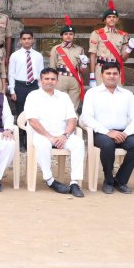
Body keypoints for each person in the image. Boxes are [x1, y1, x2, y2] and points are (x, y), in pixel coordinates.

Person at [80, 62, 134, 194]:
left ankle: (120, 180)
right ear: (102, 75)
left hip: (123, 133)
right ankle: (108, 180)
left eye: (115, 73)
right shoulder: (92, 93)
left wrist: (126, 133)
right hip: (101, 132)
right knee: (108, 145)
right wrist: (107, 132)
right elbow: (87, 117)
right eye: (108, 73)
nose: (112, 76)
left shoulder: (127, 95)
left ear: (119, 75)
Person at [24, 68, 85, 198]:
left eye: (53, 79)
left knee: (79, 143)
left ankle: (75, 182)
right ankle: (50, 180)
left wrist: (65, 135)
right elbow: (32, 121)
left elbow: (72, 119)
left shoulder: (64, 96)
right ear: (41, 80)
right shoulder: (33, 96)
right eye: (46, 79)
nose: (49, 82)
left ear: (57, 81)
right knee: (42, 145)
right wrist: (49, 137)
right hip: (42, 135)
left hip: (63, 135)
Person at [88, 0, 134, 86]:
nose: (112, 19)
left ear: (117, 19)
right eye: (109, 17)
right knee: (101, 96)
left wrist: (130, 48)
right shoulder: (97, 34)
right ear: (105, 19)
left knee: (116, 96)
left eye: (114, 17)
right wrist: (92, 75)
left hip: (116, 68)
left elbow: (123, 59)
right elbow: (93, 55)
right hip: (101, 68)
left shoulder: (123, 35)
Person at [8, 30, 44, 147]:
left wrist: (40, 89)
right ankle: (21, 141)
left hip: (34, 86)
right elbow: (11, 74)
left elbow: (41, 74)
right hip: (20, 86)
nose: (27, 41)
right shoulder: (15, 55)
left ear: (33, 39)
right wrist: (12, 90)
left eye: (29, 38)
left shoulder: (38, 56)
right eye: (24, 39)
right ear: (20, 41)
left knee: (34, 112)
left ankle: (31, 140)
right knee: (20, 113)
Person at [49, 15, 88, 110]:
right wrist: (53, 81)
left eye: (71, 34)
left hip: (74, 79)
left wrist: (84, 64)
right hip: (61, 78)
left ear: (74, 35)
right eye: (66, 34)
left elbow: (82, 70)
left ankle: (73, 122)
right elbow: (52, 67)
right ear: (62, 36)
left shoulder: (79, 49)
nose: (68, 36)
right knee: (60, 104)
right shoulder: (56, 49)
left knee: (73, 105)